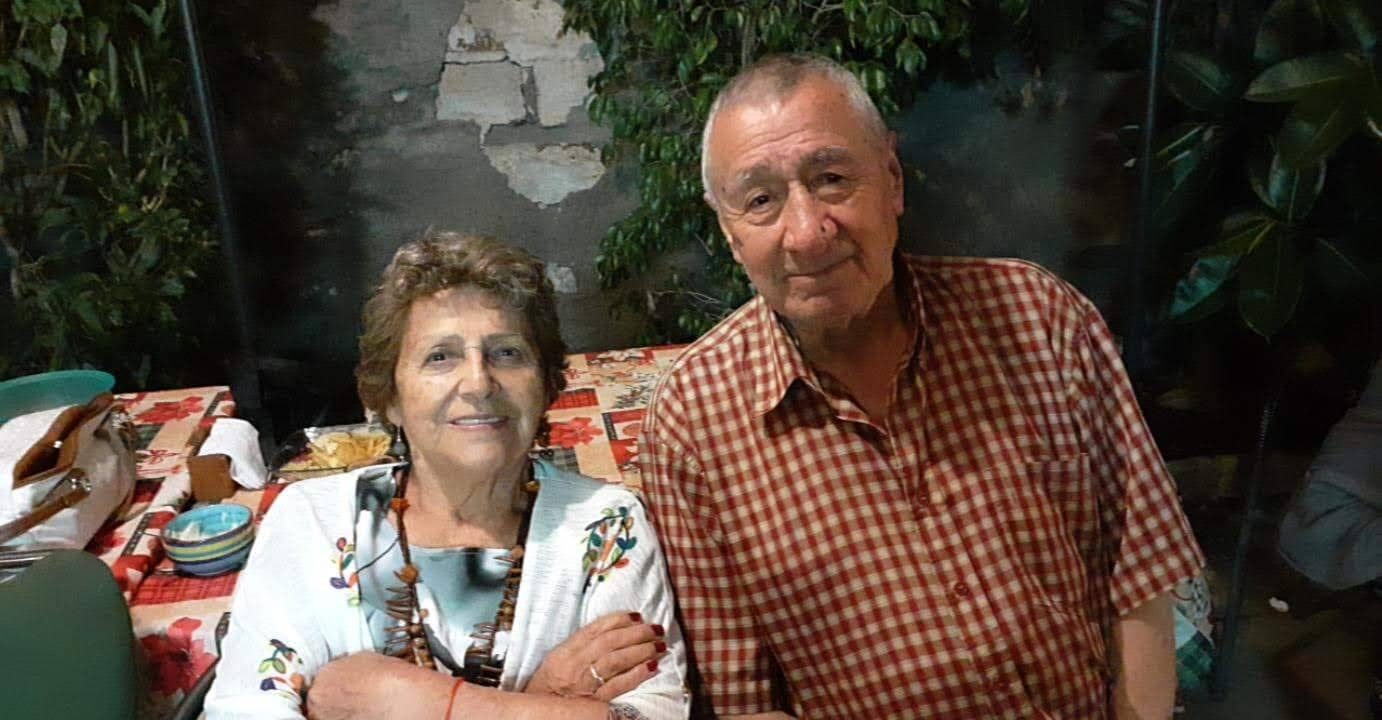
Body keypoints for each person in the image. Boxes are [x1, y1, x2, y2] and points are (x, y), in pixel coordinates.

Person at [639, 54, 1204, 719]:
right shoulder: (692, 423)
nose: (808, 231)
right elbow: (745, 702)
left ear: (892, 181)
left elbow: (1140, 576)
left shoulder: (1040, 320)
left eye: (832, 179)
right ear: (731, 233)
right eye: (761, 200)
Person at [208, 232, 689, 719]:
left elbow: (656, 715)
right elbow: (242, 710)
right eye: (440, 356)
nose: (479, 382)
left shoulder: (607, 526)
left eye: (507, 353)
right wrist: (545, 701)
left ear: (546, 385)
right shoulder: (310, 522)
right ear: (390, 397)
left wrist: (424, 704)